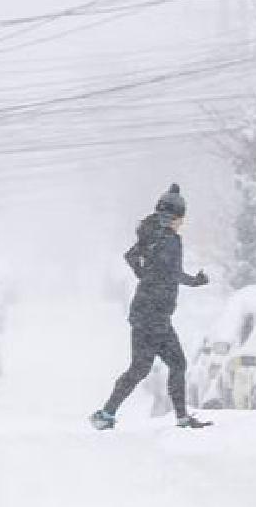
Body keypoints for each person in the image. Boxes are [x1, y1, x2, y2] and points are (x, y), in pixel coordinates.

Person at [91, 183, 212, 430]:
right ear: (176, 216)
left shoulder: (150, 233)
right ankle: (181, 418)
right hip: (156, 314)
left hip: (144, 311)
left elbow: (131, 257)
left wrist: (144, 274)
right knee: (175, 364)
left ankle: (106, 414)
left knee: (139, 369)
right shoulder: (169, 239)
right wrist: (195, 282)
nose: (182, 223)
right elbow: (172, 272)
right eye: (182, 218)